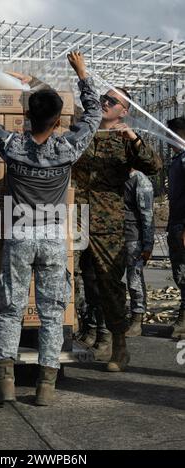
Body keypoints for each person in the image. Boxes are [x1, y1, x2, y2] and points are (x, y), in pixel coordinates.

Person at [0, 51, 102, 406]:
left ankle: (5, 383)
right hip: (54, 238)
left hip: (19, 236)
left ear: (27, 117)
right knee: (52, 312)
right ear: (58, 121)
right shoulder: (69, 147)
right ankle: (45, 386)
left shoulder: (13, 146)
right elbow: (94, 115)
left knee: (11, 309)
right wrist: (83, 75)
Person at [72, 87, 162, 372]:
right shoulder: (82, 130)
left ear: (123, 111)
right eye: (103, 98)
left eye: (112, 101)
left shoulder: (126, 140)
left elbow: (154, 165)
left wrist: (133, 138)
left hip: (106, 223)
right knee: (69, 277)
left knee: (109, 284)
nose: (104, 102)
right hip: (73, 217)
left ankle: (119, 346)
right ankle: (82, 331)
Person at [124, 169, 154, 336]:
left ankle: (137, 318)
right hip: (112, 237)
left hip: (132, 237)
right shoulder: (113, 175)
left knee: (134, 279)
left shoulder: (138, 179)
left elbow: (147, 213)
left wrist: (148, 244)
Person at [166, 117, 185, 339]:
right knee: (179, 273)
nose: (168, 138)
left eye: (172, 134)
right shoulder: (177, 159)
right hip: (176, 223)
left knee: (183, 273)